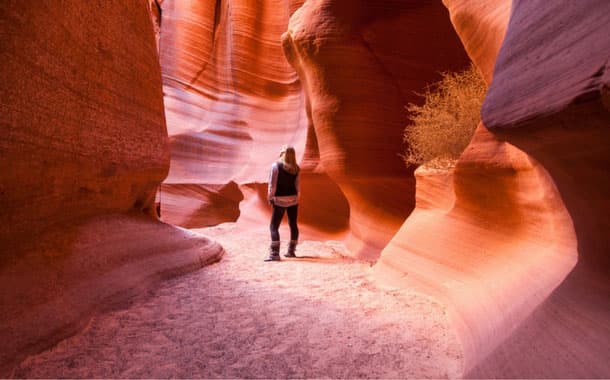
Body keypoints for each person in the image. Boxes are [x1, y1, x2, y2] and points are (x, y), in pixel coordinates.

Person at [264, 145, 300, 261]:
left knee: (274, 226)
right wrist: (297, 198)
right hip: (293, 199)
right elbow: (297, 185)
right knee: (293, 224)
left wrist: (270, 197)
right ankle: (291, 251)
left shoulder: (276, 166)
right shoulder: (296, 168)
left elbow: (272, 184)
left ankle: (275, 254)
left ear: (283, 153)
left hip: (280, 199)